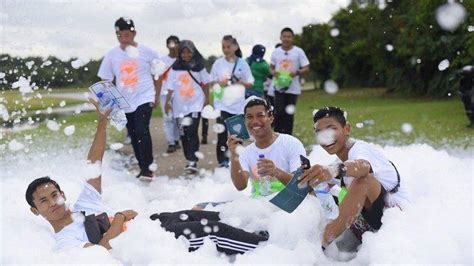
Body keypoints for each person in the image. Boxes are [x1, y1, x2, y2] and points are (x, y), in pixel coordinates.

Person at [25, 103, 268, 255]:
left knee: (205, 215)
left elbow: (94, 162)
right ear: (36, 211)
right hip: (149, 246)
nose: (53, 202)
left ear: (63, 194)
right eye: (44, 201)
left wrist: (102, 121)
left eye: (54, 195)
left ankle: (273, 232)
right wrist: (120, 218)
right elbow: (101, 253)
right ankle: (270, 251)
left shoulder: (85, 205)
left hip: (153, 226)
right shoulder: (65, 242)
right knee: (215, 229)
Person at [298, 106, 408, 253]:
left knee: (364, 180)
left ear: (346, 129)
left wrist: (334, 171)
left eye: (331, 129)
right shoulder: (339, 161)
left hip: (396, 226)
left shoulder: (361, 150)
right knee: (320, 191)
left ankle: (318, 248)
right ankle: (301, 241)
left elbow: (363, 166)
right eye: (319, 132)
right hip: (366, 233)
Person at [97, 17, 159, 180]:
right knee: (133, 133)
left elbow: (158, 73)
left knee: (141, 129)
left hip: (145, 96)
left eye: (127, 35)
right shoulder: (112, 55)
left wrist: (157, 95)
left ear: (134, 33)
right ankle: (142, 167)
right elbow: (105, 80)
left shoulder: (147, 52)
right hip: (125, 101)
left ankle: (148, 168)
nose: (124, 39)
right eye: (120, 36)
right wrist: (109, 102)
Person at [227, 97, 306, 198]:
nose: (255, 121)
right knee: (201, 207)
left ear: (271, 117)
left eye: (260, 115)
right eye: (250, 117)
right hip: (258, 206)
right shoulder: (246, 152)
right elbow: (240, 186)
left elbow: (301, 184)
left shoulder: (291, 143)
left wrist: (276, 172)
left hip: (287, 204)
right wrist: (234, 155)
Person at [164, 40, 210, 174]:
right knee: (183, 134)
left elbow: (206, 83)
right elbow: (170, 87)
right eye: (183, 52)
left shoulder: (199, 66)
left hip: (195, 104)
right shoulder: (175, 67)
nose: (185, 55)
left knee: (192, 131)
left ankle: (193, 161)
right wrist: (167, 103)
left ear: (193, 51)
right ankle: (188, 158)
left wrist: (207, 100)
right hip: (179, 107)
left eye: (188, 52)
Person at [210, 35, 254, 168]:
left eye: (228, 46)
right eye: (223, 47)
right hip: (222, 105)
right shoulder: (218, 63)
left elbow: (251, 83)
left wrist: (241, 82)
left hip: (238, 106)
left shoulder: (242, 63)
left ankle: (239, 160)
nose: (225, 49)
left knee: (238, 135)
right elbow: (211, 82)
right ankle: (222, 161)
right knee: (222, 135)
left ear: (235, 47)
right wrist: (220, 82)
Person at [270, 27, 310, 135]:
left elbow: (306, 67)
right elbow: (271, 67)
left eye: (289, 37)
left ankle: (288, 138)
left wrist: (296, 72)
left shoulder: (298, 51)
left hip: (292, 89)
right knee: (278, 113)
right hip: (279, 87)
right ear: (280, 38)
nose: (286, 39)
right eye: (284, 36)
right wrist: (274, 73)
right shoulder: (276, 52)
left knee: (289, 114)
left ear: (292, 38)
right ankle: (277, 136)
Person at [157, 35, 181, 153]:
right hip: (164, 93)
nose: (173, 46)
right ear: (167, 46)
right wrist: (156, 95)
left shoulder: (182, 60)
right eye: (170, 44)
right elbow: (159, 78)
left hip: (178, 93)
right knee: (167, 118)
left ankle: (176, 139)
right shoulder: (162, 60)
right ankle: (170, 142)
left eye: (175, 44)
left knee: (177, 118)